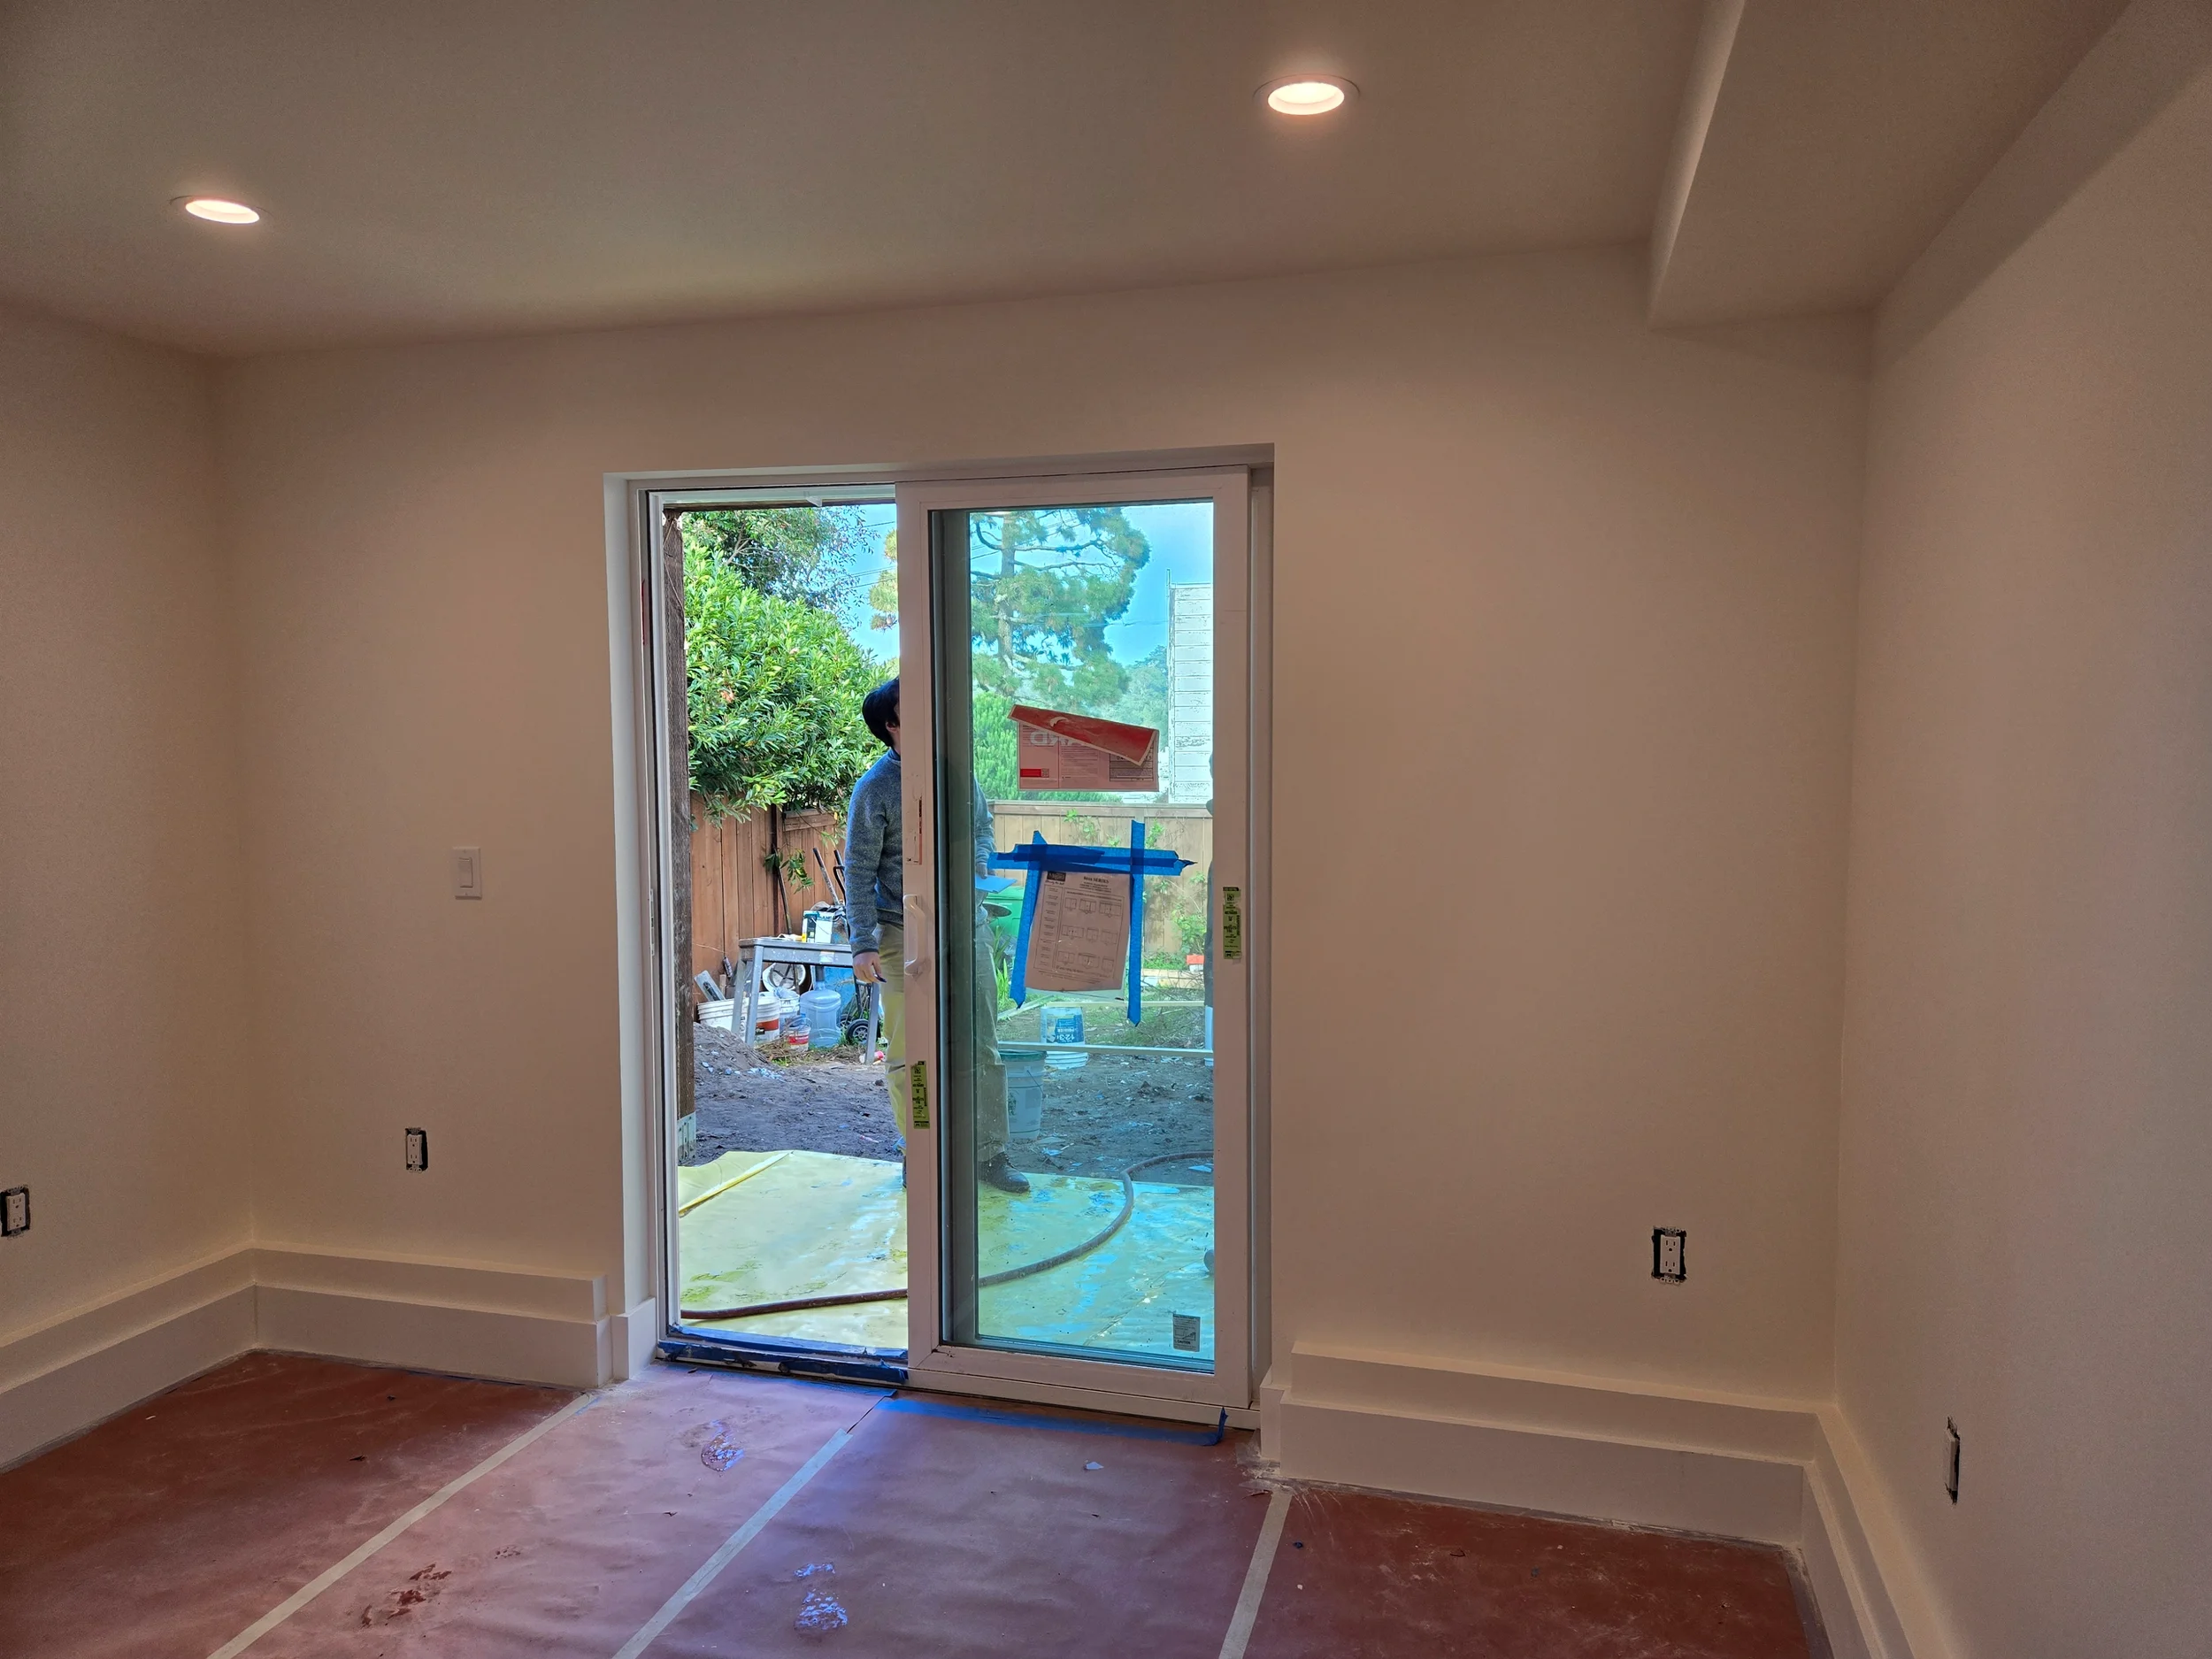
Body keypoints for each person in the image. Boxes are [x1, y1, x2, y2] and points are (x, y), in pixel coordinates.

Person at [844, 677, 1030, 1194]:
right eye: (914, 709)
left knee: (981, 1044)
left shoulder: (957, 774)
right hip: (905, 932)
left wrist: (980, 856)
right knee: (908, 1051)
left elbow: (984, 827)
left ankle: (989, 1155)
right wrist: (862, 942)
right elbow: (857, 869)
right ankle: (920, 1151)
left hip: (967, 927)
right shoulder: (876, 788)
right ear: (892, 725)